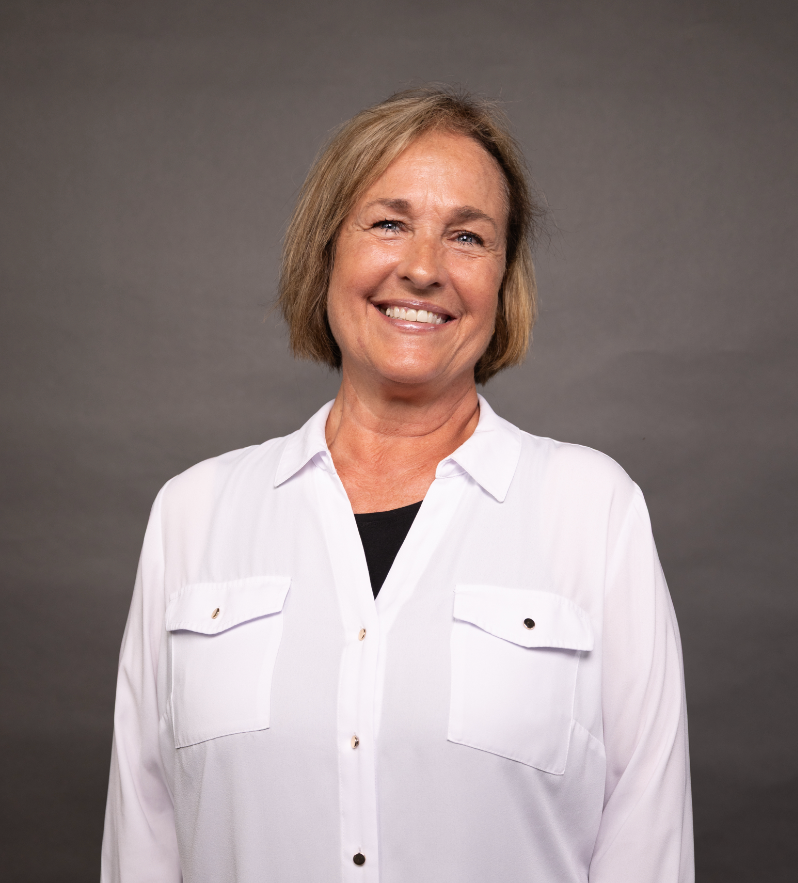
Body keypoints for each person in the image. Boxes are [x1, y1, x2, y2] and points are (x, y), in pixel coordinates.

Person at [101, 86, 694, 883]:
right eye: (388, 222)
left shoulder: (595, 512)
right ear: (325, 252)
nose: (423, 268)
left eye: (468, 236)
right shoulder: (193, 515)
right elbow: (143, 839)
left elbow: (648, 846)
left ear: (501, 280)